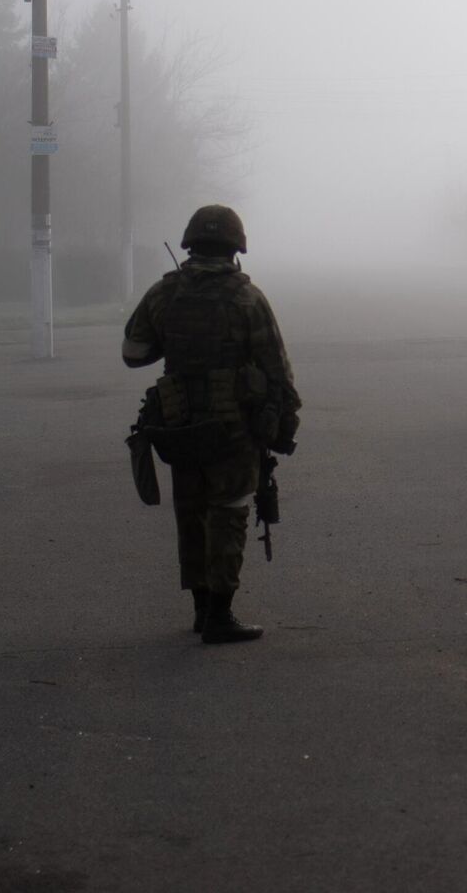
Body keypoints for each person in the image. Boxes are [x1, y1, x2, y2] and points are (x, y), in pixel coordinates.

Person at [122, 205, 302, 644]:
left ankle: (202, 610)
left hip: (180, 425)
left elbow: (133, 352)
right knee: (229, 510)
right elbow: (277, 371)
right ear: (236, 250)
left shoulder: (163, 295)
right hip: (233, 427)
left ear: (188, 245)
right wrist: (283, 427)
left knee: (190, 511)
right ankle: (221, 614)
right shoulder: (248, 299)